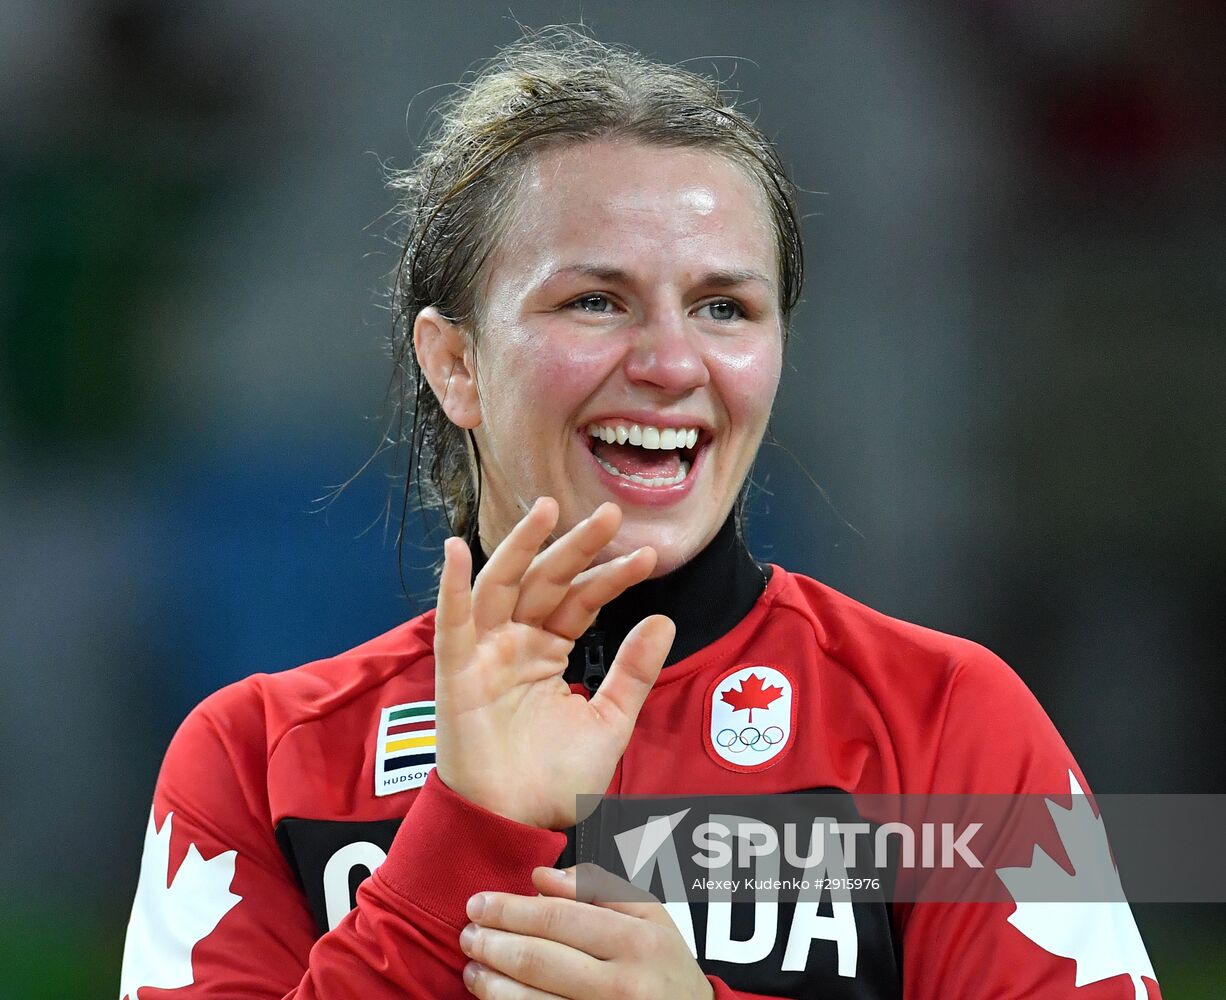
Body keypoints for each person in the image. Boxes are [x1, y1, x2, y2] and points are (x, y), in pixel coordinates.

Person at [119, 28, 1161, 1000]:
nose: (670, 364)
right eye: (594, 301)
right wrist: (469, 840)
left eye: (724, 307)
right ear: (454, 364)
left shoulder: (946, 724)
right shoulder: (257, 760)